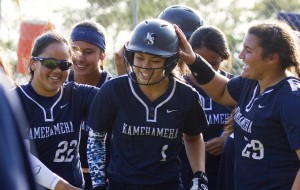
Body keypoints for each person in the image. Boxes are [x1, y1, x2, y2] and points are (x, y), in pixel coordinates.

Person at [176, 20, 300, 189]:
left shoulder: (291, 99)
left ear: (272, 58)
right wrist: (193, 60)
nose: (240, 55)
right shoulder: (252, 82)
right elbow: (221, 91)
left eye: (248, 51)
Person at [87, 19, 209, 190]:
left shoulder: (186, 96)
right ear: (131, 55)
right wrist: (98, 182)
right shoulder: (113, 90)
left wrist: (199, 175)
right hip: (121, 185)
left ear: (170, 61)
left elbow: (193, 137)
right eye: (140, 57)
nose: (145, 66)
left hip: (168, 185)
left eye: (155, 60)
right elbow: (96, 138)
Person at [15, 31, 99, 189]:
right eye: (50, 63)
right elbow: (20, 156)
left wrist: (127, 66)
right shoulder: (15, 100)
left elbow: (118, 100)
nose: (57, 70)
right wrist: (61, 187)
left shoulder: (77, 94)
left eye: (64, 65)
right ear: (33, 63)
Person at [186, 25, 234, 190]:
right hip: (186, 171)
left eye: (212, 63)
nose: (204, 68)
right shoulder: (178, 86)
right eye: (198, 62)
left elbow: (249, 122)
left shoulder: (234, 86)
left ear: (224, 57)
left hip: (224, 170)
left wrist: (226, 140)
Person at [68, 20, 113, 190]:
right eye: (75, 50)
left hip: (107, 182)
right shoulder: (57, 87)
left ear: (102, 55)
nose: (80, 58)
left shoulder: (113, 89)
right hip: (62, 180)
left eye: (88, 52)